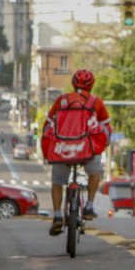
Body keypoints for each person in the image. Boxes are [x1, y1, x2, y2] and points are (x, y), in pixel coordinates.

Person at [46, 69, 110, 236]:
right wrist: (103, 145)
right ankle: (89, 206)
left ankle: (57, 216)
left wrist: (50, 148)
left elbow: (48, 126)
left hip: (63, 150)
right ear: (91, 86)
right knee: (95, 172)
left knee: (57, 182)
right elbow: (106, 129)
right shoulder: (96, 102)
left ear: (73, 84)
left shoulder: (61, 100)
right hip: (87, 151)